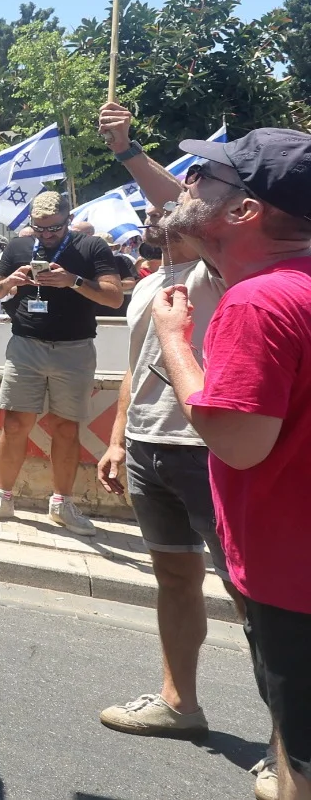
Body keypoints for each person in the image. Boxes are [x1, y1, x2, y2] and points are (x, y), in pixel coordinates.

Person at [150, 127, 311, 800]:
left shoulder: (259, 301)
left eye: (204, 177)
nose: (186, 183)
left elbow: (237, 440)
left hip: (293, 579)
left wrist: (174, 340)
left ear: (245, 211)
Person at [93, 204, 239, 746]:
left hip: (208, 450)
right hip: (148, 447)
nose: (157, 211)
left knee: (250, 593)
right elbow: (136, 366)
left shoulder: (216, 271)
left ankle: (293, 743)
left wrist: (129, 149)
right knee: (175, 580)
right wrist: (116, 439)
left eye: (172, 205)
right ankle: (179, 705)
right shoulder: (145, 286)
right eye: (152, 208)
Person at [0, 191, 123, 536]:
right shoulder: (18, 247)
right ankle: (2, 497)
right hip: (26, 346)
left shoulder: (91, 247)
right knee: (14, 424)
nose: (46, 235)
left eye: (53, 228)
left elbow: (114, 297)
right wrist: (10, 282)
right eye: (39, 229)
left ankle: (62, 503)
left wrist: (74, 281)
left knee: (66, 428)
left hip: (75, 349)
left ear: (68, 219)